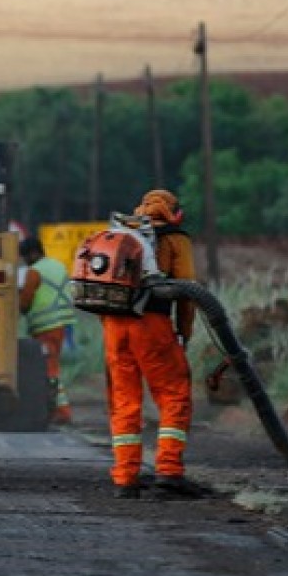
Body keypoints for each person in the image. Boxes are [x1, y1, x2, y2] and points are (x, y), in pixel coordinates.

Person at [103, 188, 200, 499]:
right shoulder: (174, 238)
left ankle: (125, 477)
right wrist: (184, 331)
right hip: (151, 323)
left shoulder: (122, 233)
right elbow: (187, 289)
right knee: (174, 393)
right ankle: (169, 471)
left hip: (114, 325)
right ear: (174, 211)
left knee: (124, 399)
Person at [16, 229, 77, 425]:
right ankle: (54, 408)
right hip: (61, 324)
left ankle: (62, 411)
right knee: (52, 367)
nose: (25, 262)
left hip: (45, 327)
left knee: (49, 370)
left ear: (32, 253)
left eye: (25, 257)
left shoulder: (35, 271)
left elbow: (25, 300)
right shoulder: (57, 266)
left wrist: (16, 311)